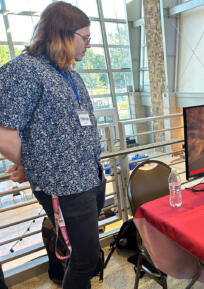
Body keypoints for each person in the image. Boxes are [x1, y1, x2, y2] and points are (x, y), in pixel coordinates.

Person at [0, 2, 105, 289]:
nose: (89, 44)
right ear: (63, 34)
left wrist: (29, 160)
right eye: (85, 37)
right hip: (65, 184)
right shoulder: (23, 71)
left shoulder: (70, 74)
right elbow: (4, 132)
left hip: (90, 176)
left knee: (85, 255)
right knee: (83, 258)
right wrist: (32, 163)